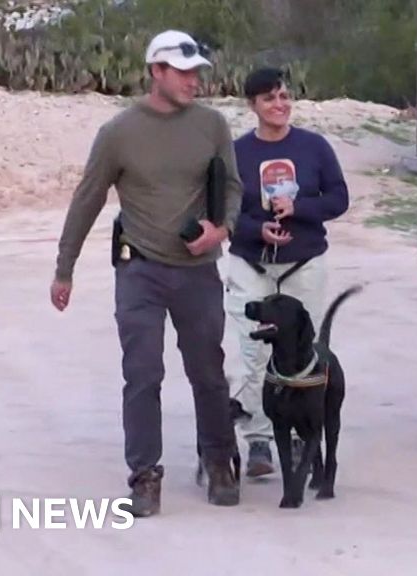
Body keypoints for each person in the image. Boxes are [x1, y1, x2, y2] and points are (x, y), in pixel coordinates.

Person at [49, 29, 245, 516]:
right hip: (140, 270)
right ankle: (144, 475)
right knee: (142, 374)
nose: (193, 81)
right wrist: (64, 268)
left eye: (197, 73)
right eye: (183, 72)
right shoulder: (118, 133)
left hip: (198, 270)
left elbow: (233, 187)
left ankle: (218, 460)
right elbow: (88, 198)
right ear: (156, 71)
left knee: (208, 371)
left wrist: (221, 229)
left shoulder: (212, 125)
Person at [225, 67, 349, 477]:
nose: (279, 105)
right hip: (252, 263)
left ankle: (300, 437)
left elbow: (338, 198)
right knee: (254, 352)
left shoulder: (313, 147)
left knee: (301, 352)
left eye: (283, 96)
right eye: (269, 99)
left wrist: (301, 208)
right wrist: (255, 229)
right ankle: (259, 438)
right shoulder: (237, 152)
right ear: (252, 105)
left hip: (302, 262)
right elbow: (222, 210)